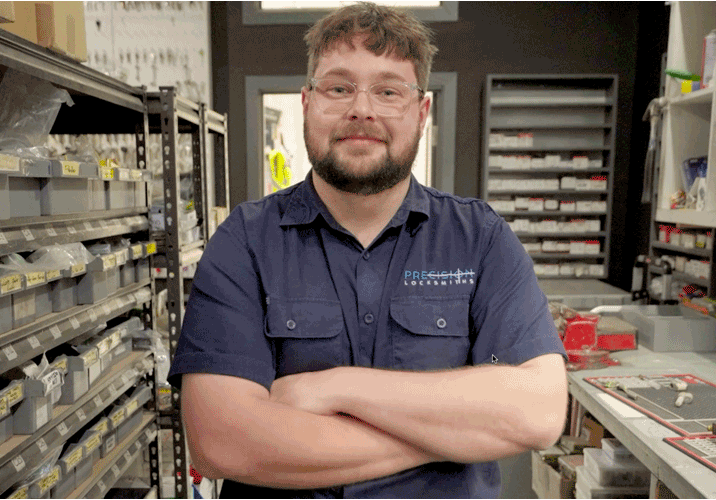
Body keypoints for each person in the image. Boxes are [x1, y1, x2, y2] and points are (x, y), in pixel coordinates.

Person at [168, 2, 568, 498]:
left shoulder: (480, 240)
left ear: (421, 112)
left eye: (388, 91)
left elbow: (540, 412)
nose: (362, 108)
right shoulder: (244, 242)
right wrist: (453, 436)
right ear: (307, 103)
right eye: (339, 88)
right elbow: (223, 443)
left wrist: (333, 388)